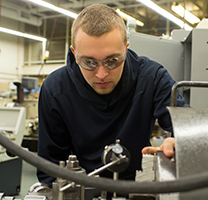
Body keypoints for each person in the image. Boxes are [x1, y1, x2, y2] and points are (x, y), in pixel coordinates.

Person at [37, 3, 188, 187]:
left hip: (139, 188)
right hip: (80, 189)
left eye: (112, 61)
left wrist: (179, 141)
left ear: (125, 48)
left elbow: (188, 129)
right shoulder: (55, 89)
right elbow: (50, 169)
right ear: (74, 54)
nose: (101, 74)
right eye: (89, 62)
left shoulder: (152, 78)